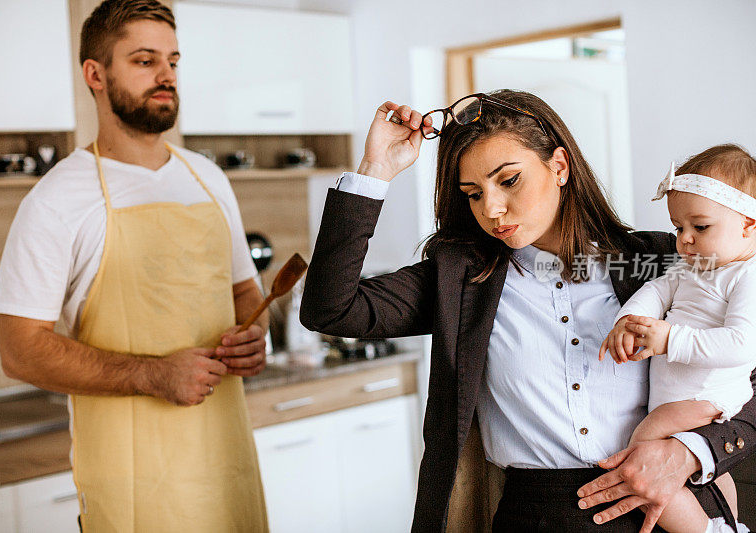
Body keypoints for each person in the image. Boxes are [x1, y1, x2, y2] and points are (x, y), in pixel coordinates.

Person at [299, 90, 756, 532]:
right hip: (537, 516)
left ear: (558, 166)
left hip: (670, 509)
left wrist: (692, 452)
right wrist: (374, 172)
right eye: (473, 193)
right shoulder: (460, 281)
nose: (492, 209)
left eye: (509, 179)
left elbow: (746, 371)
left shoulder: (659, 261)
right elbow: (331, 311)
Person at [0, 1, 268, 531]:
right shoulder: (56, 199)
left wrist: (257, 335)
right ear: (95, 74)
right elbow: (19, 350)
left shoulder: (210, 179)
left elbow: (246, 297)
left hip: (226, 464)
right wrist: (153, 374)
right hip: (132, 483)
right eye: (144, 61)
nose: (166, 76)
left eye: (173, 61)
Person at [601, 145, 756, 533]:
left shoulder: (746, 277)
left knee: (640, 453)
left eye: (700, 227)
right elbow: (656, 290)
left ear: (748, 224)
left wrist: (672, 339)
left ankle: (708, 531)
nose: (684, 240)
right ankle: (730, 523)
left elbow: (742, 344)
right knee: (711, 473)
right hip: (686, 393)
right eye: (678, 227)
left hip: (704, 395)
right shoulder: (695, 267)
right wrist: (628, 322)